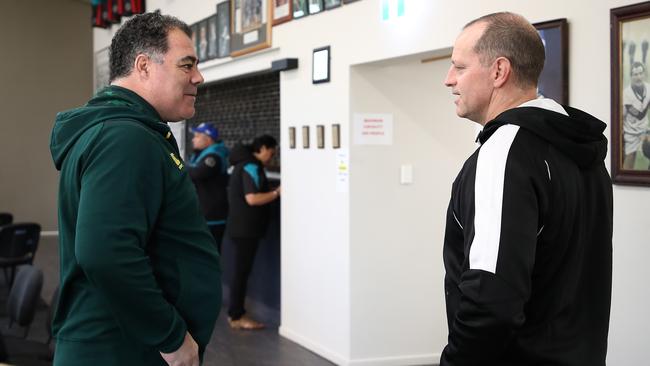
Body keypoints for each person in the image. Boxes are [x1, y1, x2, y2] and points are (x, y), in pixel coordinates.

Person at [49, 12, 221, 366]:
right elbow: (105, 251)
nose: (198, 77)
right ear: (143, 66)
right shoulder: (124, 138)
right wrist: (171, 337)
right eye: (186, 65)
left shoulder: (127, 132)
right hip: (120, 349)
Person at [441, 12, 612, 366]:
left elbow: (490, 297)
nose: (449, 79)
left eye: (459, 66)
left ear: (499, 71)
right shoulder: (582, 152)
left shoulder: (503, 154)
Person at [226, 135, 280, 330]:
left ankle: (235, 313)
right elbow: (253, 199)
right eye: (271, 153)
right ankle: (236, 316)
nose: (271, 158)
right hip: (246, 229)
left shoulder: (242, 164)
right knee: (241, 272)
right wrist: (277, 193)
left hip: (239, 227)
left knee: (240, 271)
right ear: (263, 148)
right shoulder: (251, 166)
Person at [188, 122, 230, 252]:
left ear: (208, 139)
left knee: (210, 255)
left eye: (197, 136)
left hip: (212, 216)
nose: (193, 139)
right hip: (202, 214)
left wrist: (176, 163)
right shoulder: (201, 155)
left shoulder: (214, 157)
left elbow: (196, 173)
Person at [623, 61, 650, 169]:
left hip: (644, 128)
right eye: (635, 74)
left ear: (644, 74)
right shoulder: (626, 93)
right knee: (629, 161)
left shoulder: (648, 88)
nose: (638, 77)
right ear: (631, 76)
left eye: (640, 73)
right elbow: (639, 115)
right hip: (631, 132)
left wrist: (648, 132)